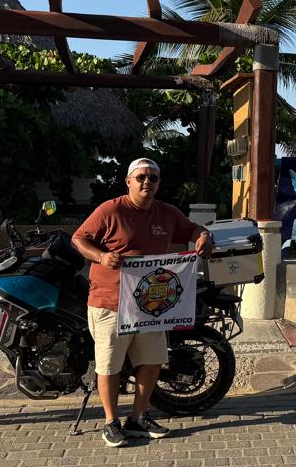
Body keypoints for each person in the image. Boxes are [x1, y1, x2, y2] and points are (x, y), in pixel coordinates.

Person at [72, 158, 214, 447]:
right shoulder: (111, 210)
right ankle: (111, 422)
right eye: (141, 177)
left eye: (153, 177)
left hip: (151, 306)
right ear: (129, 181)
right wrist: (101, 256)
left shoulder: (167, 213)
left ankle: (137, 418)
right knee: (109, 364)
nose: (147, 182)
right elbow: (79, 238)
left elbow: (193, 230)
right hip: (110, 302)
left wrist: (204, 236)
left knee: (151, 361)